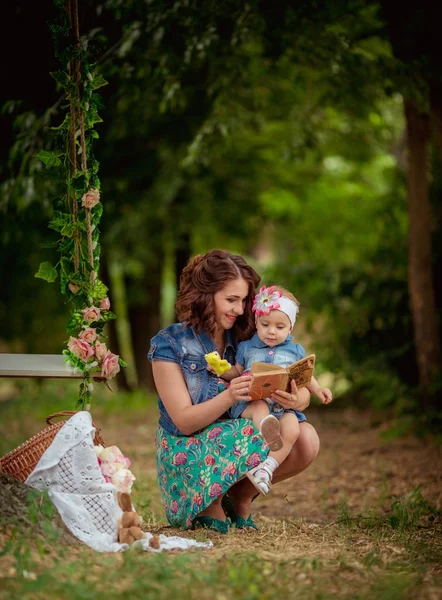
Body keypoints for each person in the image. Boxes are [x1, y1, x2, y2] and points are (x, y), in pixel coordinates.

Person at [148, 249, 320, 533]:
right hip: (189, 449)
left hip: (238, 437)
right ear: (205, 295)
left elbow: (297, 384)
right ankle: (206, 500)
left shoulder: (248, 338)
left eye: (243, 301)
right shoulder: (169, 344)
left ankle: (238, 496)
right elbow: (183, 421)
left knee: (305, 438)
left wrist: (297, 399)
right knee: (260, 423)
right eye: (231, 300)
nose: (239, 310)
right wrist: (228, 395)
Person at [217, 285, 332, 496]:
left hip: (281, 405)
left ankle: (268, 467)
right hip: (253, 401)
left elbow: (306, 376)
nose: (271, 331)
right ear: (257, 323)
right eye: (265, 324)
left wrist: (319, 389)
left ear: (290, 328)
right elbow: (237, 371)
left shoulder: (295, 350)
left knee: (293, 427)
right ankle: (266, 428)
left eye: (280, 327)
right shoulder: (247, 348)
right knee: (259, 405)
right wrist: (221, 370)